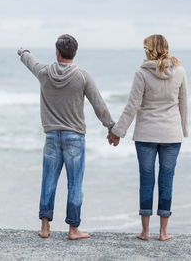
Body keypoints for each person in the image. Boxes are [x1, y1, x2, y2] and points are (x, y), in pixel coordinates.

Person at [18, 34, 115, 240]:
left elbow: (30, 61)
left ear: (57, 52)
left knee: (48, 182)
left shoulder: (44, 72)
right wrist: (112, 128)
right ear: (74, 52)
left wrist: (22, 51)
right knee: (74, 184)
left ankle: (45, 228)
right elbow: (99, 105)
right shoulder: (82, 76)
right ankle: (73, 230)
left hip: (52, 137)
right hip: (75, 138)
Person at [107, 34, 188, 241]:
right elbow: (183, 105)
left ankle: (144, 232)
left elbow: (132, 106)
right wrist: (183, 131)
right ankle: (162, 233)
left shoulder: (141, 73)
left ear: (149, 49)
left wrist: (117, 132)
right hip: (172, 135)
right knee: (166, 181)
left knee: (146, 181)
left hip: (146, 134)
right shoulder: (179, 72)